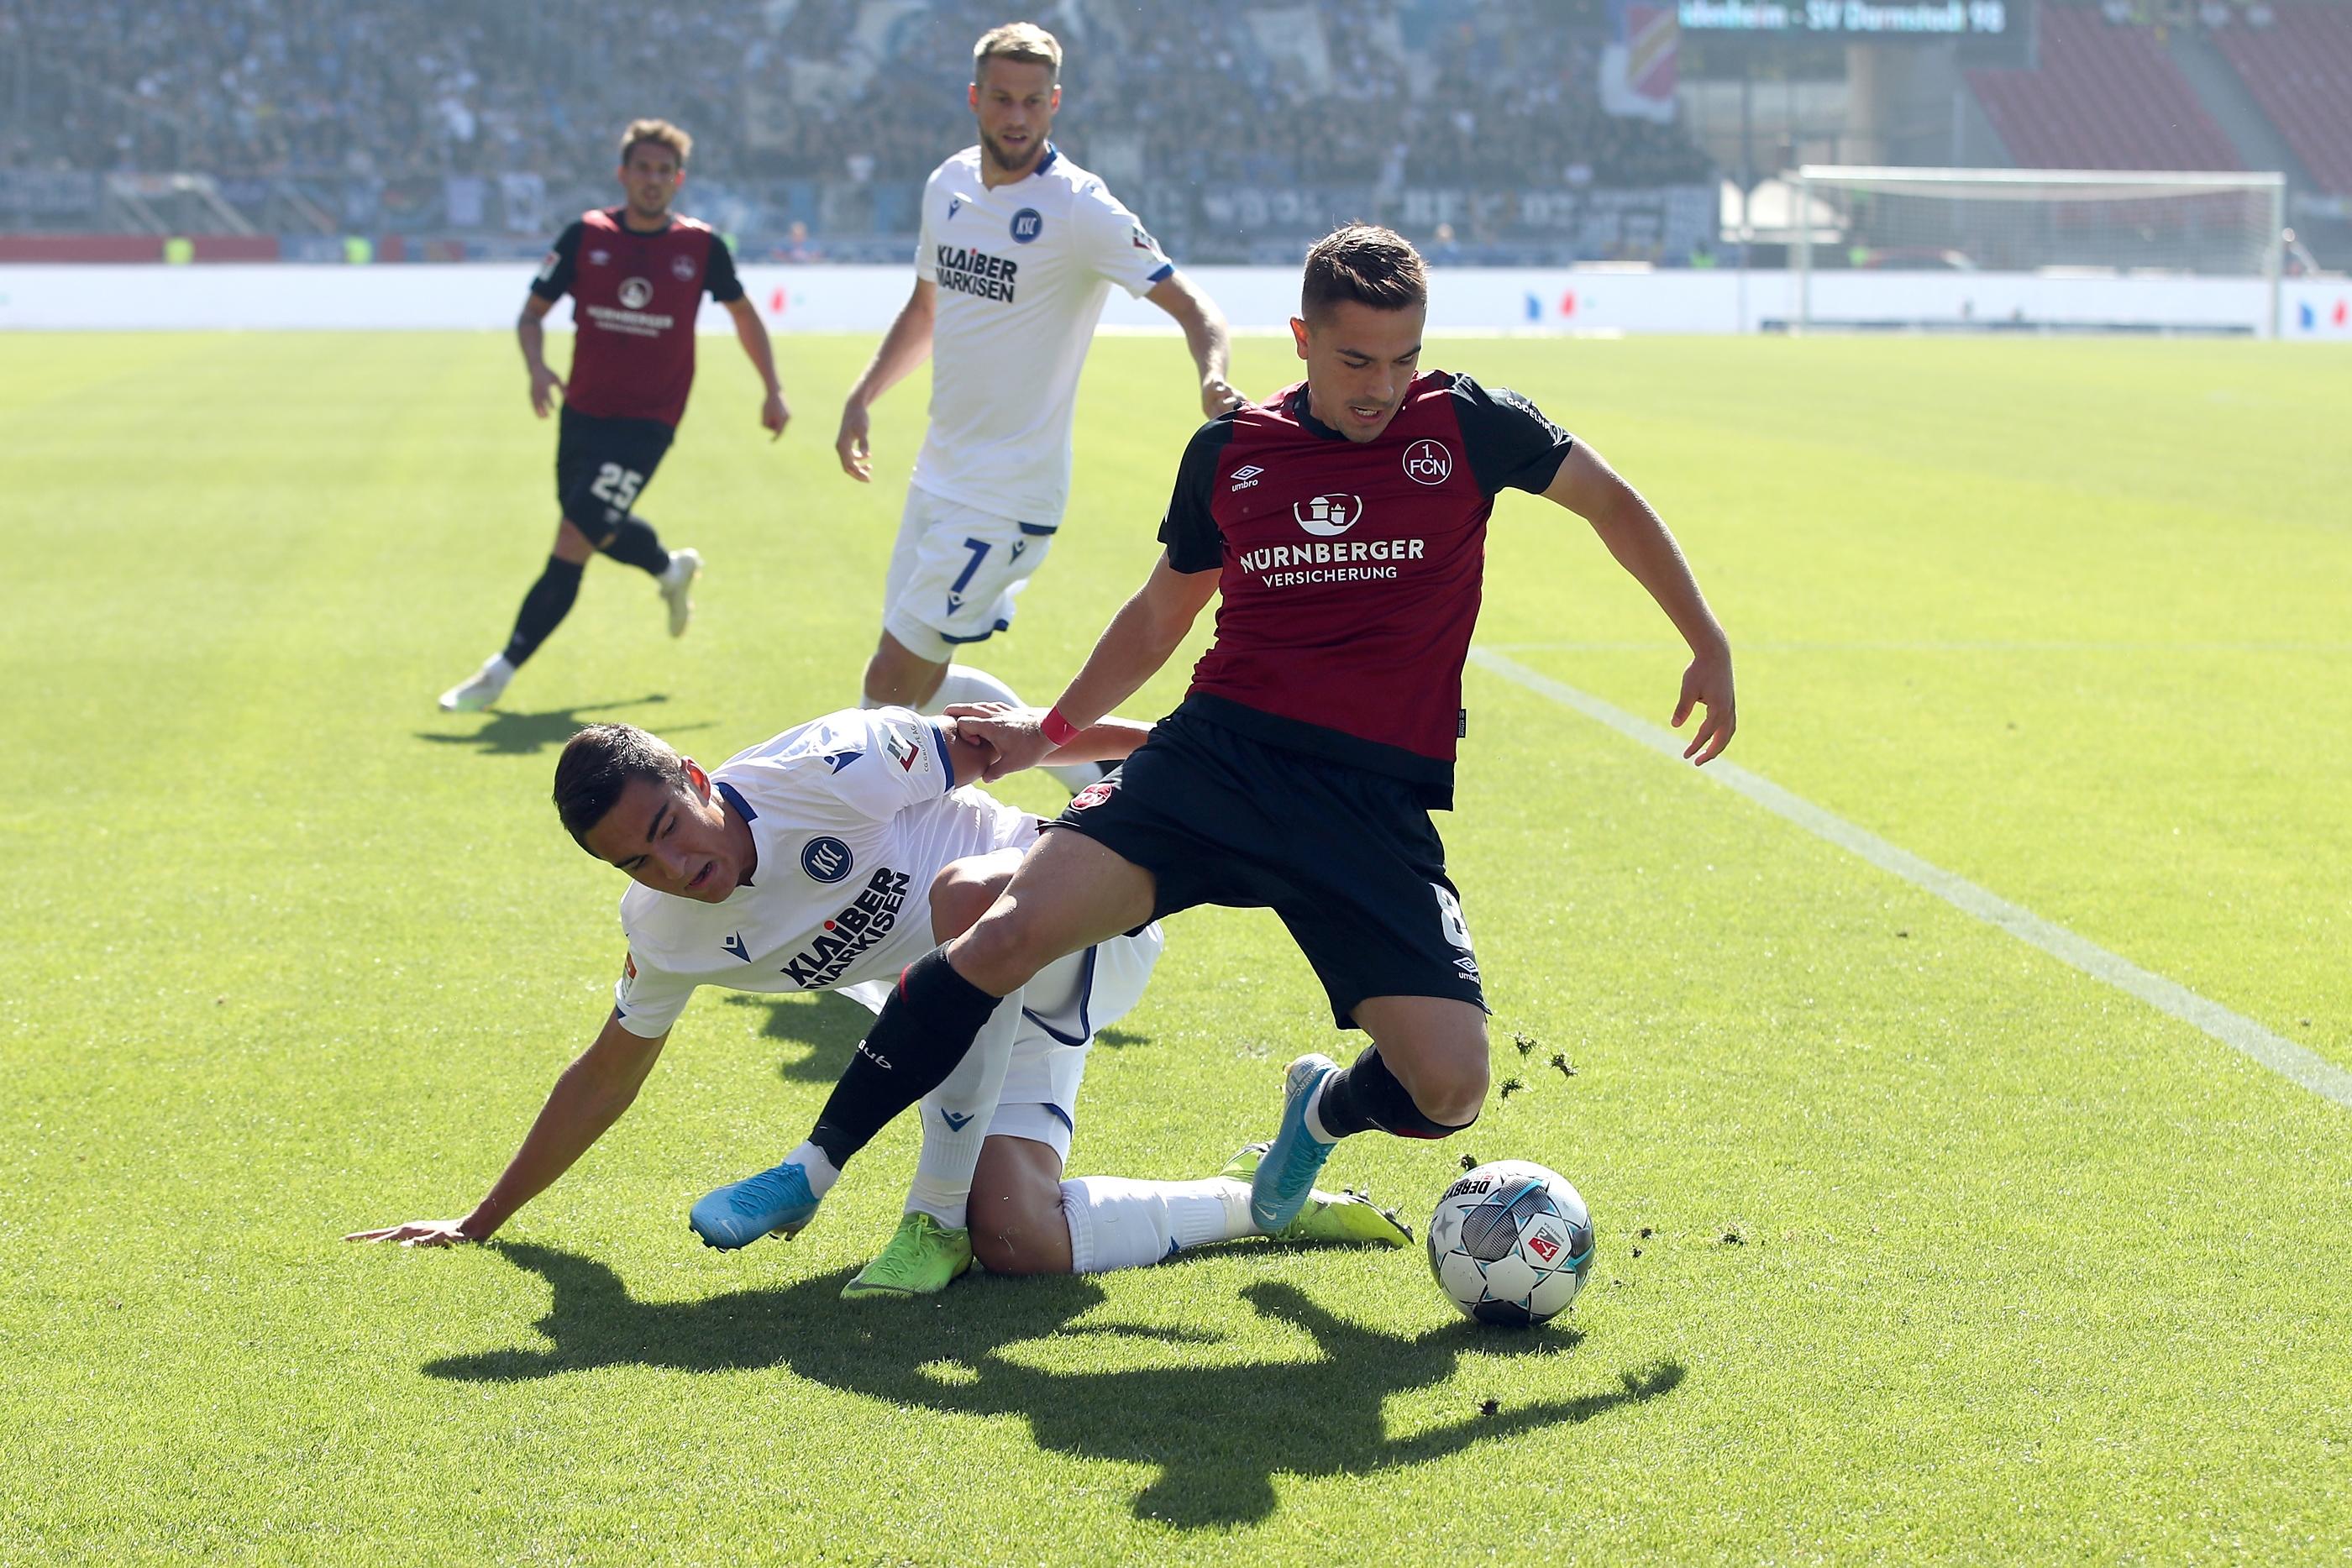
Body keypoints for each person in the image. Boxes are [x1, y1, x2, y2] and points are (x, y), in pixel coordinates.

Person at [694, 224, 1736, 1249]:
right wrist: (1049, 731)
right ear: (1301, 337)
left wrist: (1704, 638)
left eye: (1404, 356)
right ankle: (809, 1171)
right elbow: (1159, 616)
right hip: (1213, 766)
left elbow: (1610, 500)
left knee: (1452, 1087)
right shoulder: (1233, 454)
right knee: (1003, 931)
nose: (1382, 385)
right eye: (1356, 359)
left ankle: (1319, 1115)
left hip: (1366, 805)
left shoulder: (1469, 424)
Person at [346, 707, 1410, 1297]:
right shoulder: (664, 931)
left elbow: (1034, 734)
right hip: (968, 1020)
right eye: (637, 860)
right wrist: (483, 1220)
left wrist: (1217, 750)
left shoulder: (834, 764)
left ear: (697, 776)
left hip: (1062, 914)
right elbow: (605, 1075)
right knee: (1023, 1245)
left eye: (669, 824)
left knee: (959, 902)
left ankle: (924, 1217)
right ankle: (1260, 1197)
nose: (672, 865)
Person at [832, 22, 1243, 790]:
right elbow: (927, 308)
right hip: (937, 476)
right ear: (975, 98)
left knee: (889, 689)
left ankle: (859, 834)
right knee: (920, 674)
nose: (1015, 116)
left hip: (1007, 495)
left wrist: (1211, 377)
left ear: (1054, 105)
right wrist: (865, 393)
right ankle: (1089, 780)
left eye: (1031, 102)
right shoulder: (947, 184)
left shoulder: (1080, 208)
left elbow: (1197, 308)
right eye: (1001, 98)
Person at [438, 118, 790, 714]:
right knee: (592, 524)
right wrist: (537, 367)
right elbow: (531, 315)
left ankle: (499, 672)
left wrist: (772, 388)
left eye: (663, 171)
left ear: (677, 180)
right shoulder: (586, 236)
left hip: (649, 422)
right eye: (642, 169)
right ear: (622, 174)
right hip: (583, 412)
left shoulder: (700, 246)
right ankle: (667, 567)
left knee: (575, 534)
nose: (653, 181)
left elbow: (744, 315)